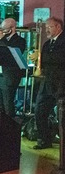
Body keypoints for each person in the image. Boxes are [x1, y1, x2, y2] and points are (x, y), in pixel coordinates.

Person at [32, 17, 65, 150]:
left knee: (61, 114)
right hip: (47, 82)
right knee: (39, 110)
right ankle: (44, 140)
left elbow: (60, 59)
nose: (47, 30)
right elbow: (45, 63)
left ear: (58, 27)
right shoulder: (47, 44)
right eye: (46, 27)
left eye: (49, 27)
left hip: (61, 83)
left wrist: (41, 56)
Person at [0, 18, 27, 118]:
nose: (2, 31)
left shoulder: (20, 41)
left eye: (4, 28)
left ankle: (10, 123)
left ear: (12, 28)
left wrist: (2, 38)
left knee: (8, 102)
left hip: (11, 75)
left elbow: (12, 52)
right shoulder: (1, 40)